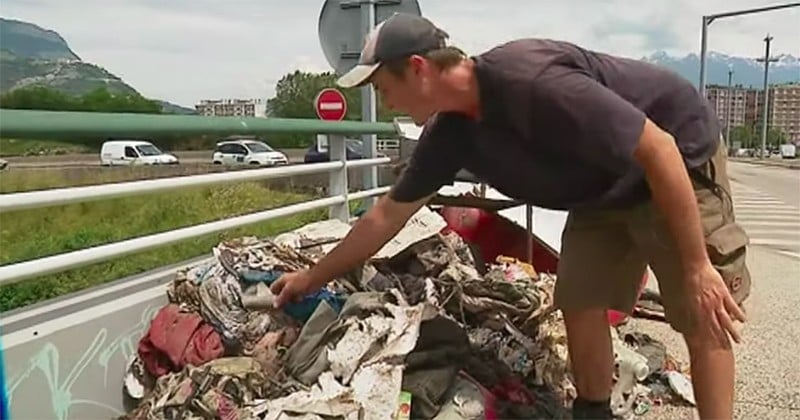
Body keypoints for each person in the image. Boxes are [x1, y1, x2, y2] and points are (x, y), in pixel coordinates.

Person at [271, 12, 750, 420]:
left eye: (384, 88)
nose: (386, 104)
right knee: (580, 301)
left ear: (418, 69)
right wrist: (311, 278)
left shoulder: (531, 81)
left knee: (700, 309)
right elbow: (385, 217)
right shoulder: (449, 135)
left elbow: (659, 148)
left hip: (672, 162)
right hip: (600, 191)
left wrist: (697, 266)